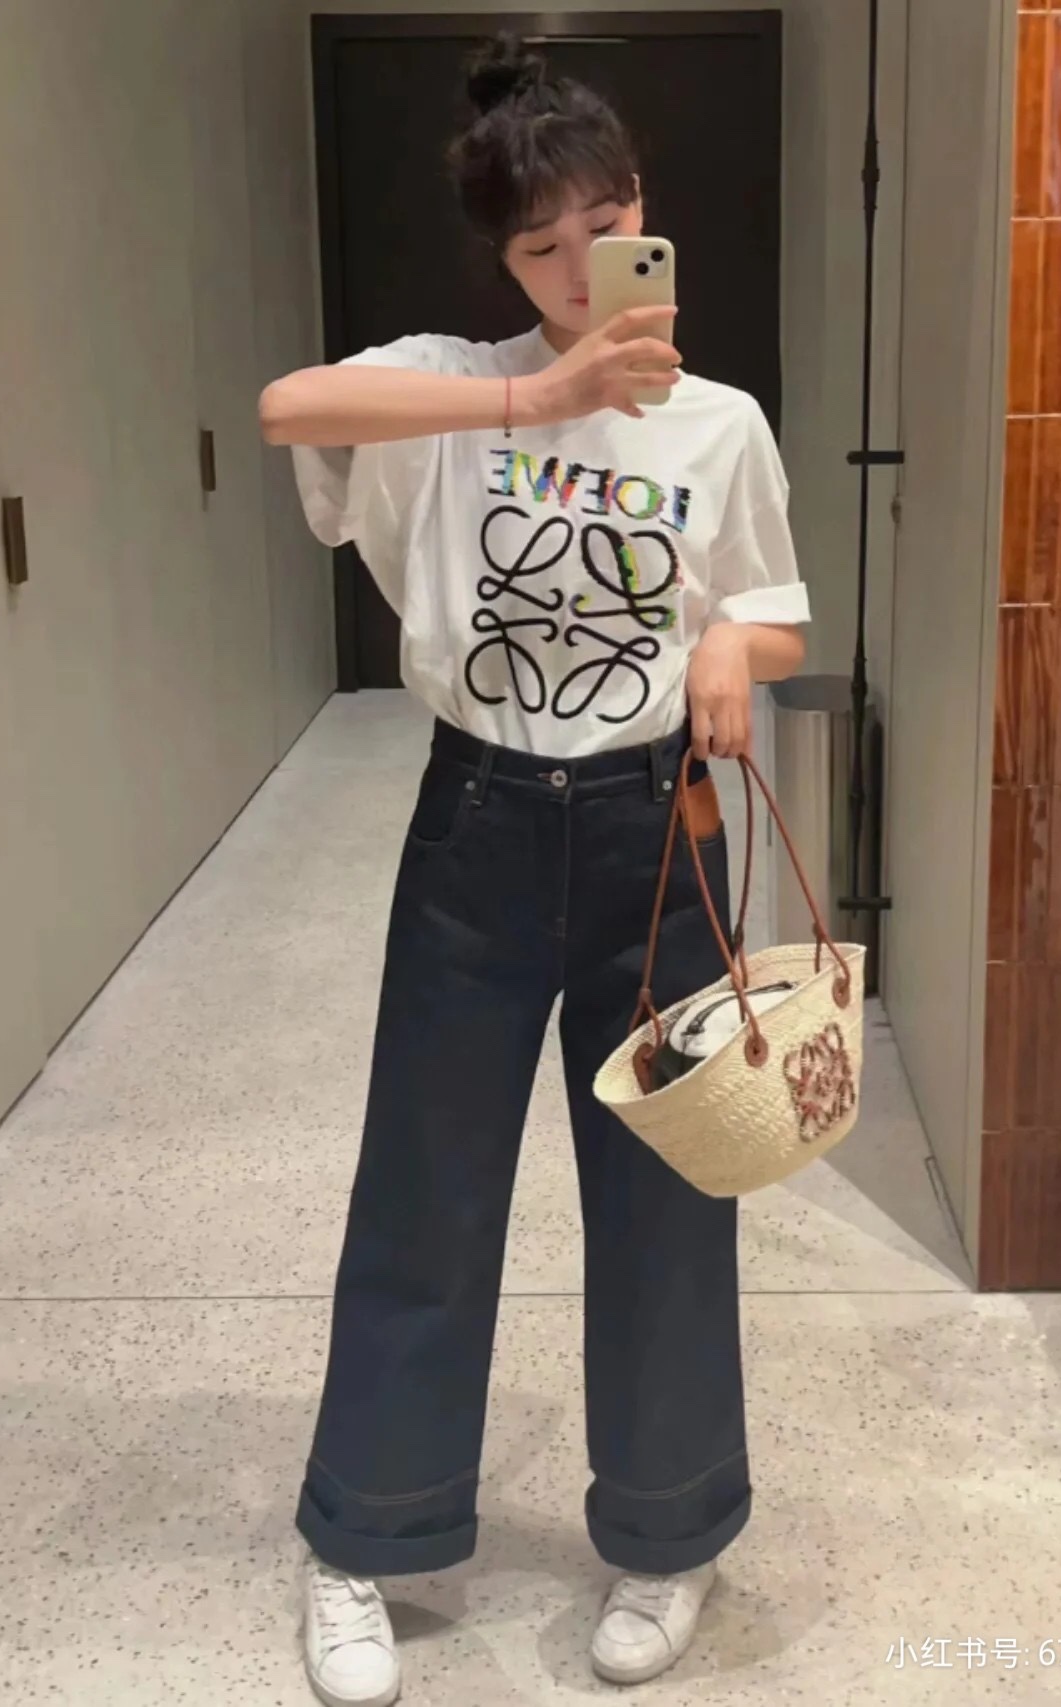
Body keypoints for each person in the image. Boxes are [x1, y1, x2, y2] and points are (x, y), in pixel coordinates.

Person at [260, 35, 809, 1707]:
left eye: (607, 226)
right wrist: (534, 400)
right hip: (480, 823)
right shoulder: (448, 384)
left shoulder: (719, 425)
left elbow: (772, 608)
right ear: (502, 261)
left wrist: (731, 649)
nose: (580, 271)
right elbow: (290, 410)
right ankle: (368, 1538)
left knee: (667, 1194)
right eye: (540, 246)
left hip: (653, 829)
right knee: (425, 1189)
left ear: (648, 210)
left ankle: (667, 1535)